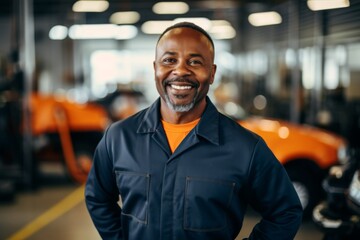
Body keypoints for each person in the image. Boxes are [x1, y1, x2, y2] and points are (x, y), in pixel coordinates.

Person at [85, 22, 303, 240]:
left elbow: (285, 212)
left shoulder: (246, 148)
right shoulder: (119, 138)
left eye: (195, 62)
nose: (180, 70)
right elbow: (98, 198)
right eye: (169, 60)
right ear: (155, 69)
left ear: (212, 73)